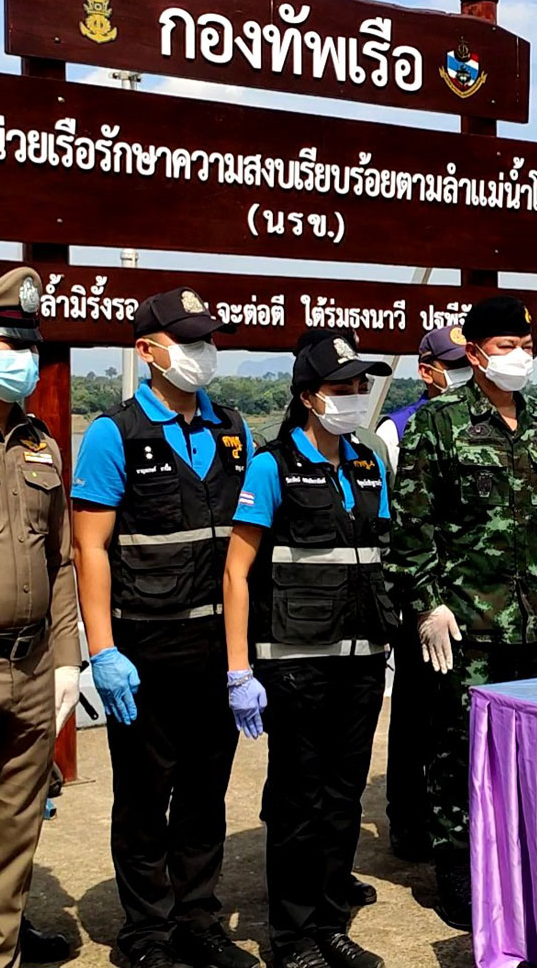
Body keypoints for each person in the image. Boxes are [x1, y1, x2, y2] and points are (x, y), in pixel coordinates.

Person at [68, 289, 254, 968]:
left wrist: (244, 660)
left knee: (206, 791)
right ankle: (147, 931)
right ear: (147, 351)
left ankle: (198, 917)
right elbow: (90, 546)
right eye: (188, 340)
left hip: (216, 646)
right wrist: (104, 650)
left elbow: (244, 543)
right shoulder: (113, 433)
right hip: (144, 648)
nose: (203, 352)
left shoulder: (232, 426)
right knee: (145, 795)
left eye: (208, 339)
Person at [385, 296, 537, 930]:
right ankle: (457, 865)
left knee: (518, 746)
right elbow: (412, 525)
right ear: (474, 353)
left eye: (526, 346)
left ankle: (508, 857)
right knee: (456, 745)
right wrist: (427, 603)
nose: (519, 357)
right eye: (505, 347)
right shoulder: (438, 423)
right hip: (463, 623)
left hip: (527, 623)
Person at [221, 330, 394, 968]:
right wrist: (239, 668)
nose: (353, 396)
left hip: (362, 662)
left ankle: (330, 921)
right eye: (340, 387)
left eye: (359, 386)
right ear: (308, 396)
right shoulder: (270, 466)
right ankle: (292, 937)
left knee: (344, 796)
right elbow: (237, 571)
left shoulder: (367, 462)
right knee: (299, 798)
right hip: (295, 665)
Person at [0, 268, 80, 968]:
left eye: (29, 344)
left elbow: (62, 560)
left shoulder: (43, 444)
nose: (22, 358)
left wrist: (68, 656)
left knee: (14, 828)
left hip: (34, 662)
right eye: (5, 342)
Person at [377, 324, 471, 863]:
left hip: (472, 600)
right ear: (427, 370)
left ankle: (451, 816)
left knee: (454, 713)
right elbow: (395, 524)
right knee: (415, 707)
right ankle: (407, 819)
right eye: (452, 362)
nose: (462, 370)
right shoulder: (399, 428)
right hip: (418, 595)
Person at [376, 325, 474, 473]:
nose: (465, 371)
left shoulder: (494, 418)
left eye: (468, 364)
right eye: (455, 365)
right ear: (427, 372)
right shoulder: (396, 428)